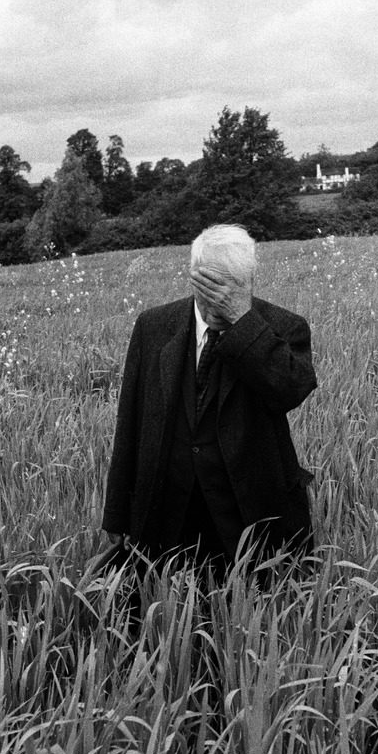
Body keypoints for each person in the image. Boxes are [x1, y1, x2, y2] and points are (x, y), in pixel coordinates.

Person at [100, 224, 317, 585]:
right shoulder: (153, 327)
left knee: (253, 615)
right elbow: (130, 423)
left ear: (251, 279)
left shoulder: (283, 327)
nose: (220, 300)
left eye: (232, 288)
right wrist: (118, 514)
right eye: (211, 287)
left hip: (249, 514)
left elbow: (291, 389)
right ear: (193, 278)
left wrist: (242, 323)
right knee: (163, 613)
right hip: (169, 512)